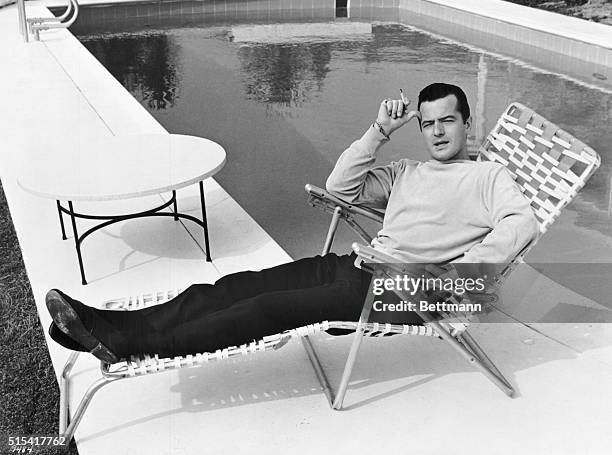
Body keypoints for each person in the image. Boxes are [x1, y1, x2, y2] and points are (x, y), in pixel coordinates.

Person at [46, 83, 539, 363]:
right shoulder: (406, 172)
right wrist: (379, 131)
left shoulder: (488, 176)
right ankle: (110, 324)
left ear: (466, 123)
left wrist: (454, 276)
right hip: (355, 265)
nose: (435, 131)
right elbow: (341, 185)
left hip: (399, 290)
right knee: (234, 287)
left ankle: (132, 345)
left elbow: (521, 223)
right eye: (427, 122)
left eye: (446, 121)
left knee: (266, 308)